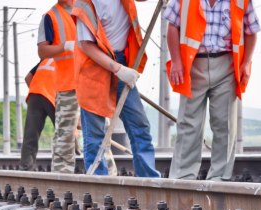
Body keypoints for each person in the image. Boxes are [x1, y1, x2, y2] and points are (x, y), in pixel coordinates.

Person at [165, 0, 260, 181]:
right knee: (188, 124)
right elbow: (172, 27)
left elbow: (251, 31)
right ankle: (183, 177)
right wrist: (176, 61)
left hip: (226, 65)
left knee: (224, 124)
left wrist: (246, 63)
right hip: (192, 65)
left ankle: (219, 179)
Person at [72, 0, 160, 178]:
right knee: (95, 134)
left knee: (139, 125)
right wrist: (118, 69)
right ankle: (99, 183)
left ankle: (149, 179)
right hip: (94, 68)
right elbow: (86, 45)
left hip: (121, 62)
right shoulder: (85, 3)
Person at [38, 0, 78, 173]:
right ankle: (63, 176)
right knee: (64, 135)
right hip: (67, 83)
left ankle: (105, 175)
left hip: (92, 81)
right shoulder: (50, 16)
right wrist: (65, 46)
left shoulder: (87, 7)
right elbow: (42, 51)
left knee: (99, 131)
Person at [20, 58, 56, 171]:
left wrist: (40, 89)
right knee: (66, 132)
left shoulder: (46, 58)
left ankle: (26, 168)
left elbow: (28, 78)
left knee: (30, 135)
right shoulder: (68, 57)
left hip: (35, 94)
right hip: (53, 95)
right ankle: (76, 160)